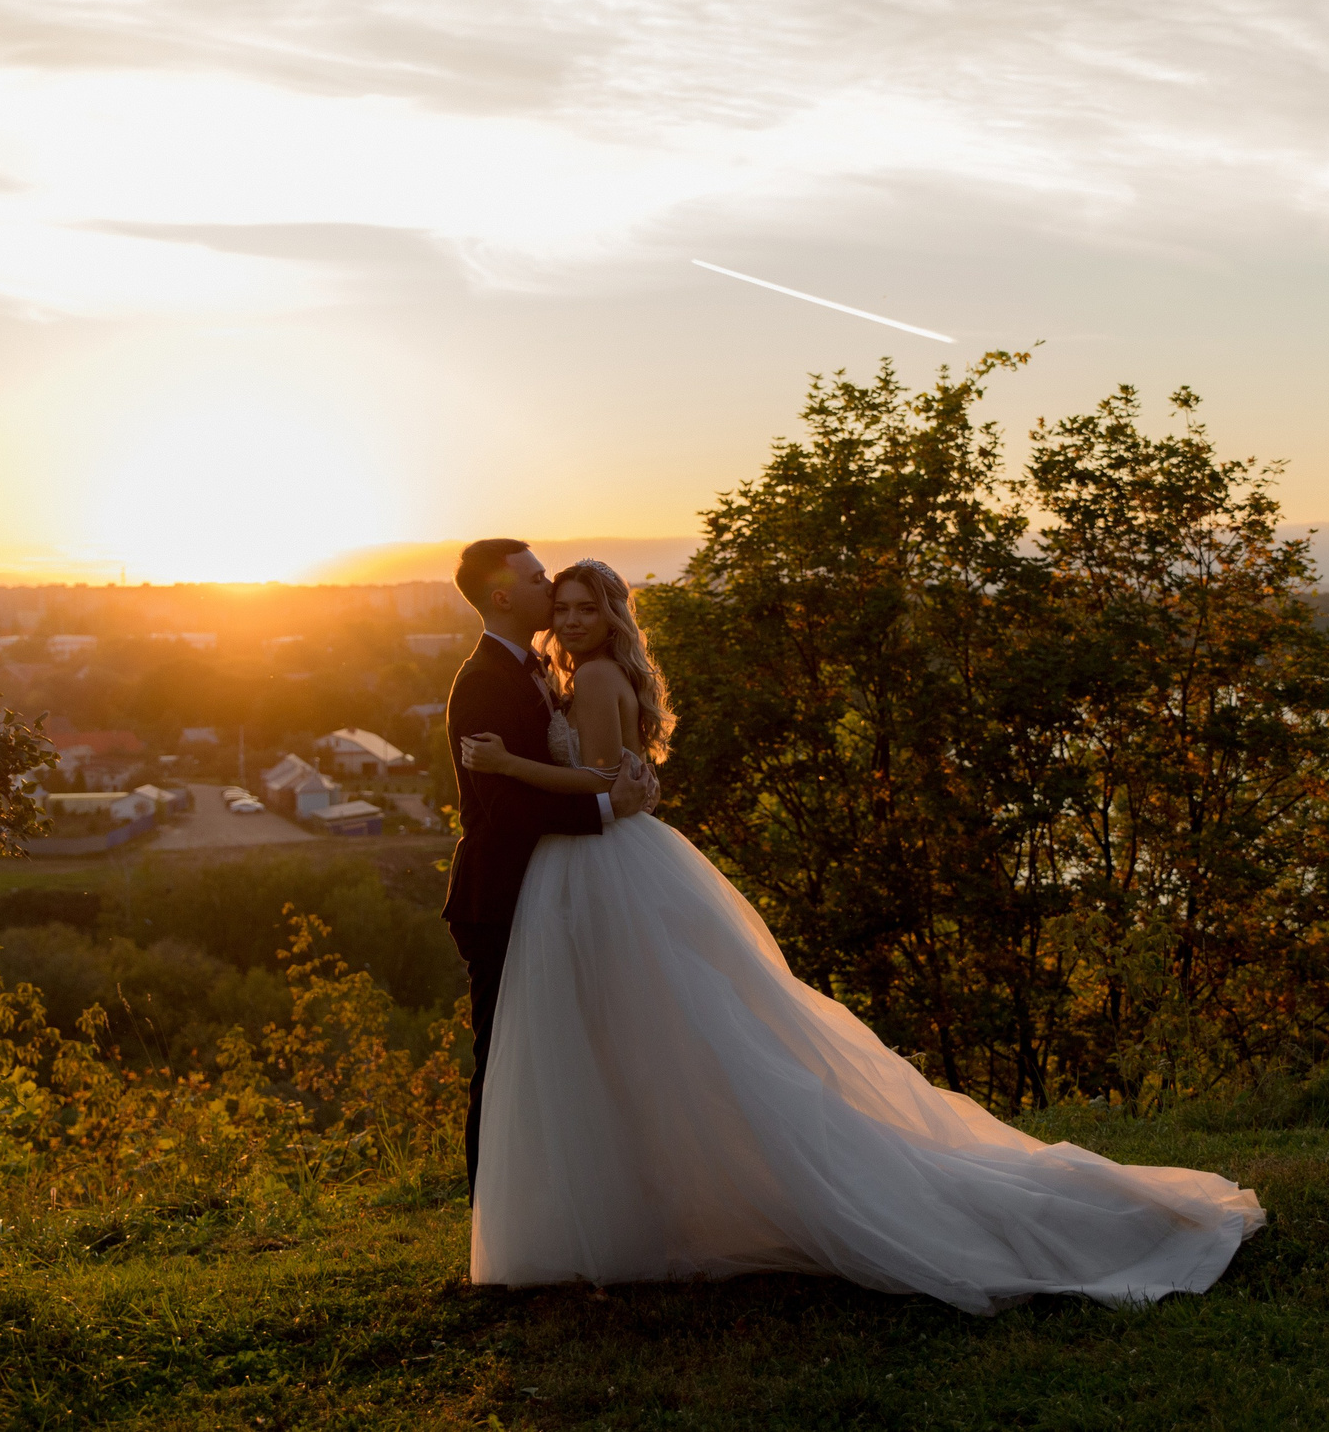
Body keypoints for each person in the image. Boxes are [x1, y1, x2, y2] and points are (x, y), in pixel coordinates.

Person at [457, 557, 1264, 1313]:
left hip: (604, 871)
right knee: (667, 1039)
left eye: (581, 606)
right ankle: (645, 1197)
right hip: (602, 866)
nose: (565, 617)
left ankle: (649, 1203)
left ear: (611, 614)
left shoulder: (593, 676)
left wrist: (509, 766)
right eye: (557, 605)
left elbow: (603, 783)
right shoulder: (573, 673)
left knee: (664, 1040)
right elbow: (620, 777)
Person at [442, 538, 657, 1198]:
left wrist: (621, 782)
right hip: (499, 895)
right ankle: (493, 1215)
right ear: (503, 595)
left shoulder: (544, 667)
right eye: (540, 582)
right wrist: (603, 806)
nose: (550, 591)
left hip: (552, 884)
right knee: (502, 1059)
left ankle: (567, 1196)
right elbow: (503, 809)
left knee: (565, 1047)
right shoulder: (483, 682)